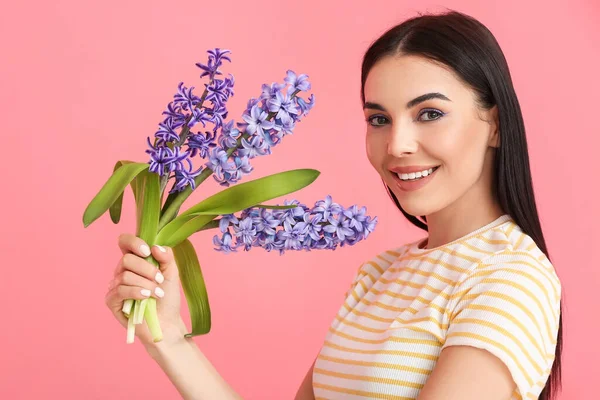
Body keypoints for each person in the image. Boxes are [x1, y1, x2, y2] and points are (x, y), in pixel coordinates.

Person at [104, 9, 562, 400]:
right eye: (379, 119)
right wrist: (166, 336)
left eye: (429, 113)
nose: (397, 144)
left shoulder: (510, 279)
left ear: (496, 126)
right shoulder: (380, 274)